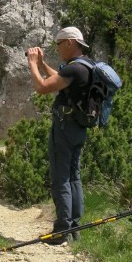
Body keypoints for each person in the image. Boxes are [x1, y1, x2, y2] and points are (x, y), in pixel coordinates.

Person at [26, 26, 92, 245]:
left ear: (70, 43)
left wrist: (33, 65)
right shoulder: (85, 66)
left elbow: (43, 87)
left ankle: (61, 230)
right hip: (79, 128)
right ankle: (75, 228)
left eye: (59, 44)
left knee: (61, 177)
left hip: (64, 128)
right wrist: (44, 64)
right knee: (74, 176)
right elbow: (60, 80)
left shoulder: (74, 69)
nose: (58, 48)